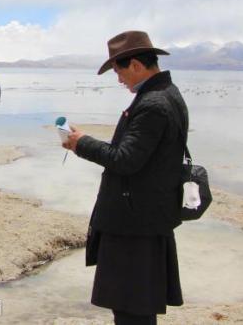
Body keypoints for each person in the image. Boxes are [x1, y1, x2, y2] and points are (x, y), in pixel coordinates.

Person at [62, 31, 189, 325]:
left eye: (119, 71)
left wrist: (82, 143)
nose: (119, 79)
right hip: (147, 217)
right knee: (137, 306)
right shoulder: (166, 94)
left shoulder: (153, 104)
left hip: (135, 225)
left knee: (131, 308)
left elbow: (125, 159)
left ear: (135, 65)